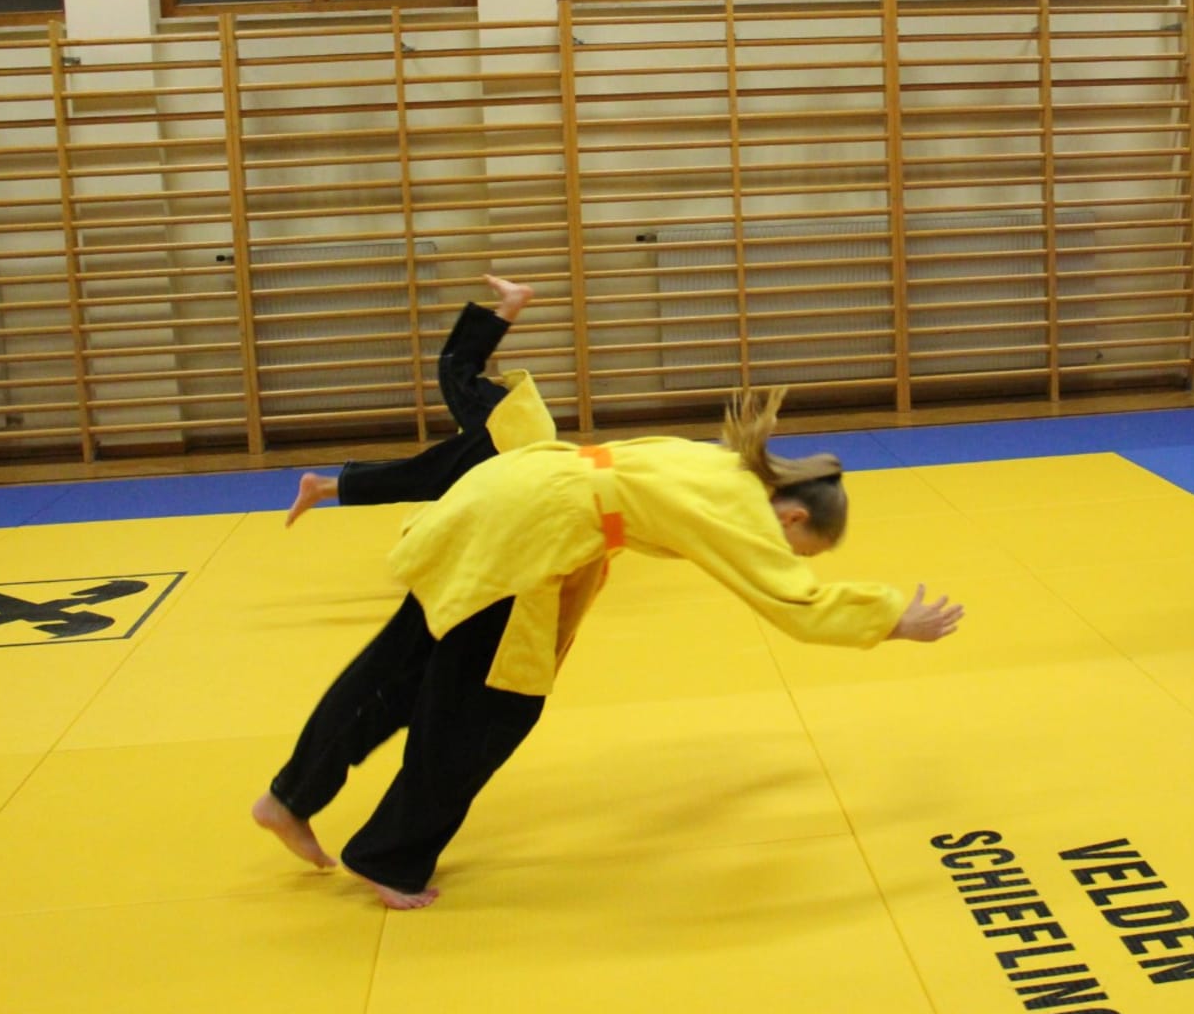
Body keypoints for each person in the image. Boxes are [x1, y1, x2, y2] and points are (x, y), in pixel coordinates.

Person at [252, 377, 965, 909]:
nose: (790, 555)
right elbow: (792, 602)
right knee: (490, 708)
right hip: (527, 535)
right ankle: (387, 854)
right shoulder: (745, 508)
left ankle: (291, 796)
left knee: (401, 668)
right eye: (800, 547)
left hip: (507, 500)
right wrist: (891, 618)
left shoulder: (727, 466)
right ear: (795, 515)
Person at [285, 274, 538, 526]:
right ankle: (324, 487)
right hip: (510, 436)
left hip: (515, 431)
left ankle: (324, 487)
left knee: (454, 371)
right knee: (426, 472)